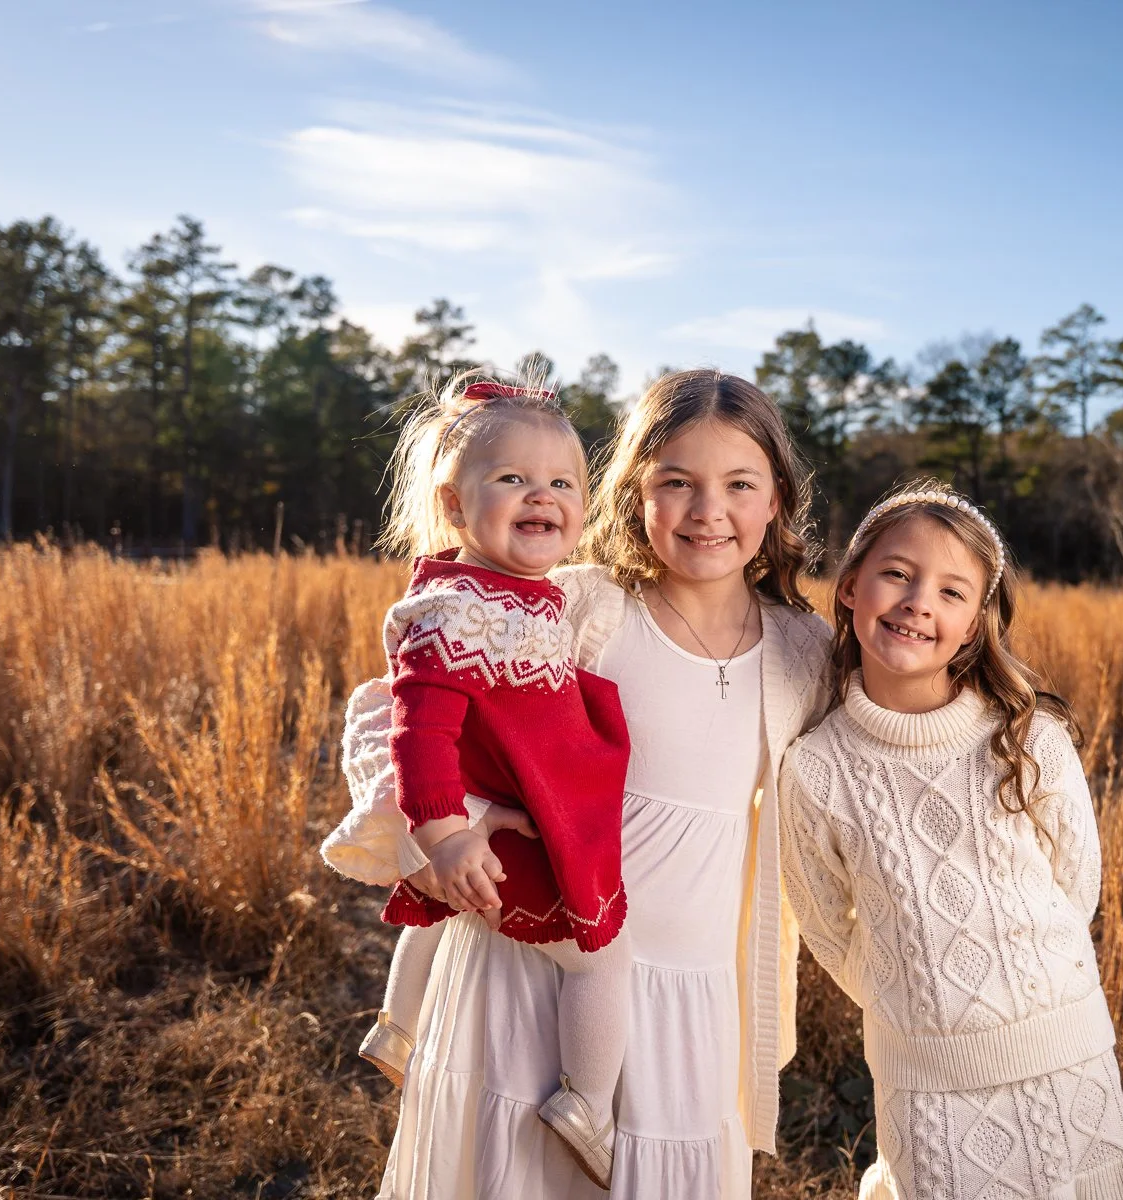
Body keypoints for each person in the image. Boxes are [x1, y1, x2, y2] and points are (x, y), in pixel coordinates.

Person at [329, 369, 832, 1199]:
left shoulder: (802, 650)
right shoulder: (580, 607)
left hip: (694, 985)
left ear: (776, 498)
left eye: (740, 484)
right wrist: (460, 823)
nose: (709, 511)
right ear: (634, 494)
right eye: (676, 483)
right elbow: (395, 715)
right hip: (534, 966)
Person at [778, 482, 1123, 1200]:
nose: (920, 601)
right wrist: (915, 998)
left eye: (953, 592)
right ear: (852, 587)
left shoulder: (1027, 738)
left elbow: (1075, 887)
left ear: (974, 625)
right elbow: (828, 928)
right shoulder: (817, 769)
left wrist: (1014, 989)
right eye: (897, 573)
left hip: (1063, 1050)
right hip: (924, 1075)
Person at [321, 373, 633, 1187]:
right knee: (601, 957)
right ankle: (588, 1104)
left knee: (438, 912)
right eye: (512, 480)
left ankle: (398, 1025)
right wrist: (445, 828)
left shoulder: (514, 592)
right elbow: (417, 729)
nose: (542, 495)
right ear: (455, 507)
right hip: (498, 827)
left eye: (562, 482)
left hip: (499, 804)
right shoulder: (454, 607)